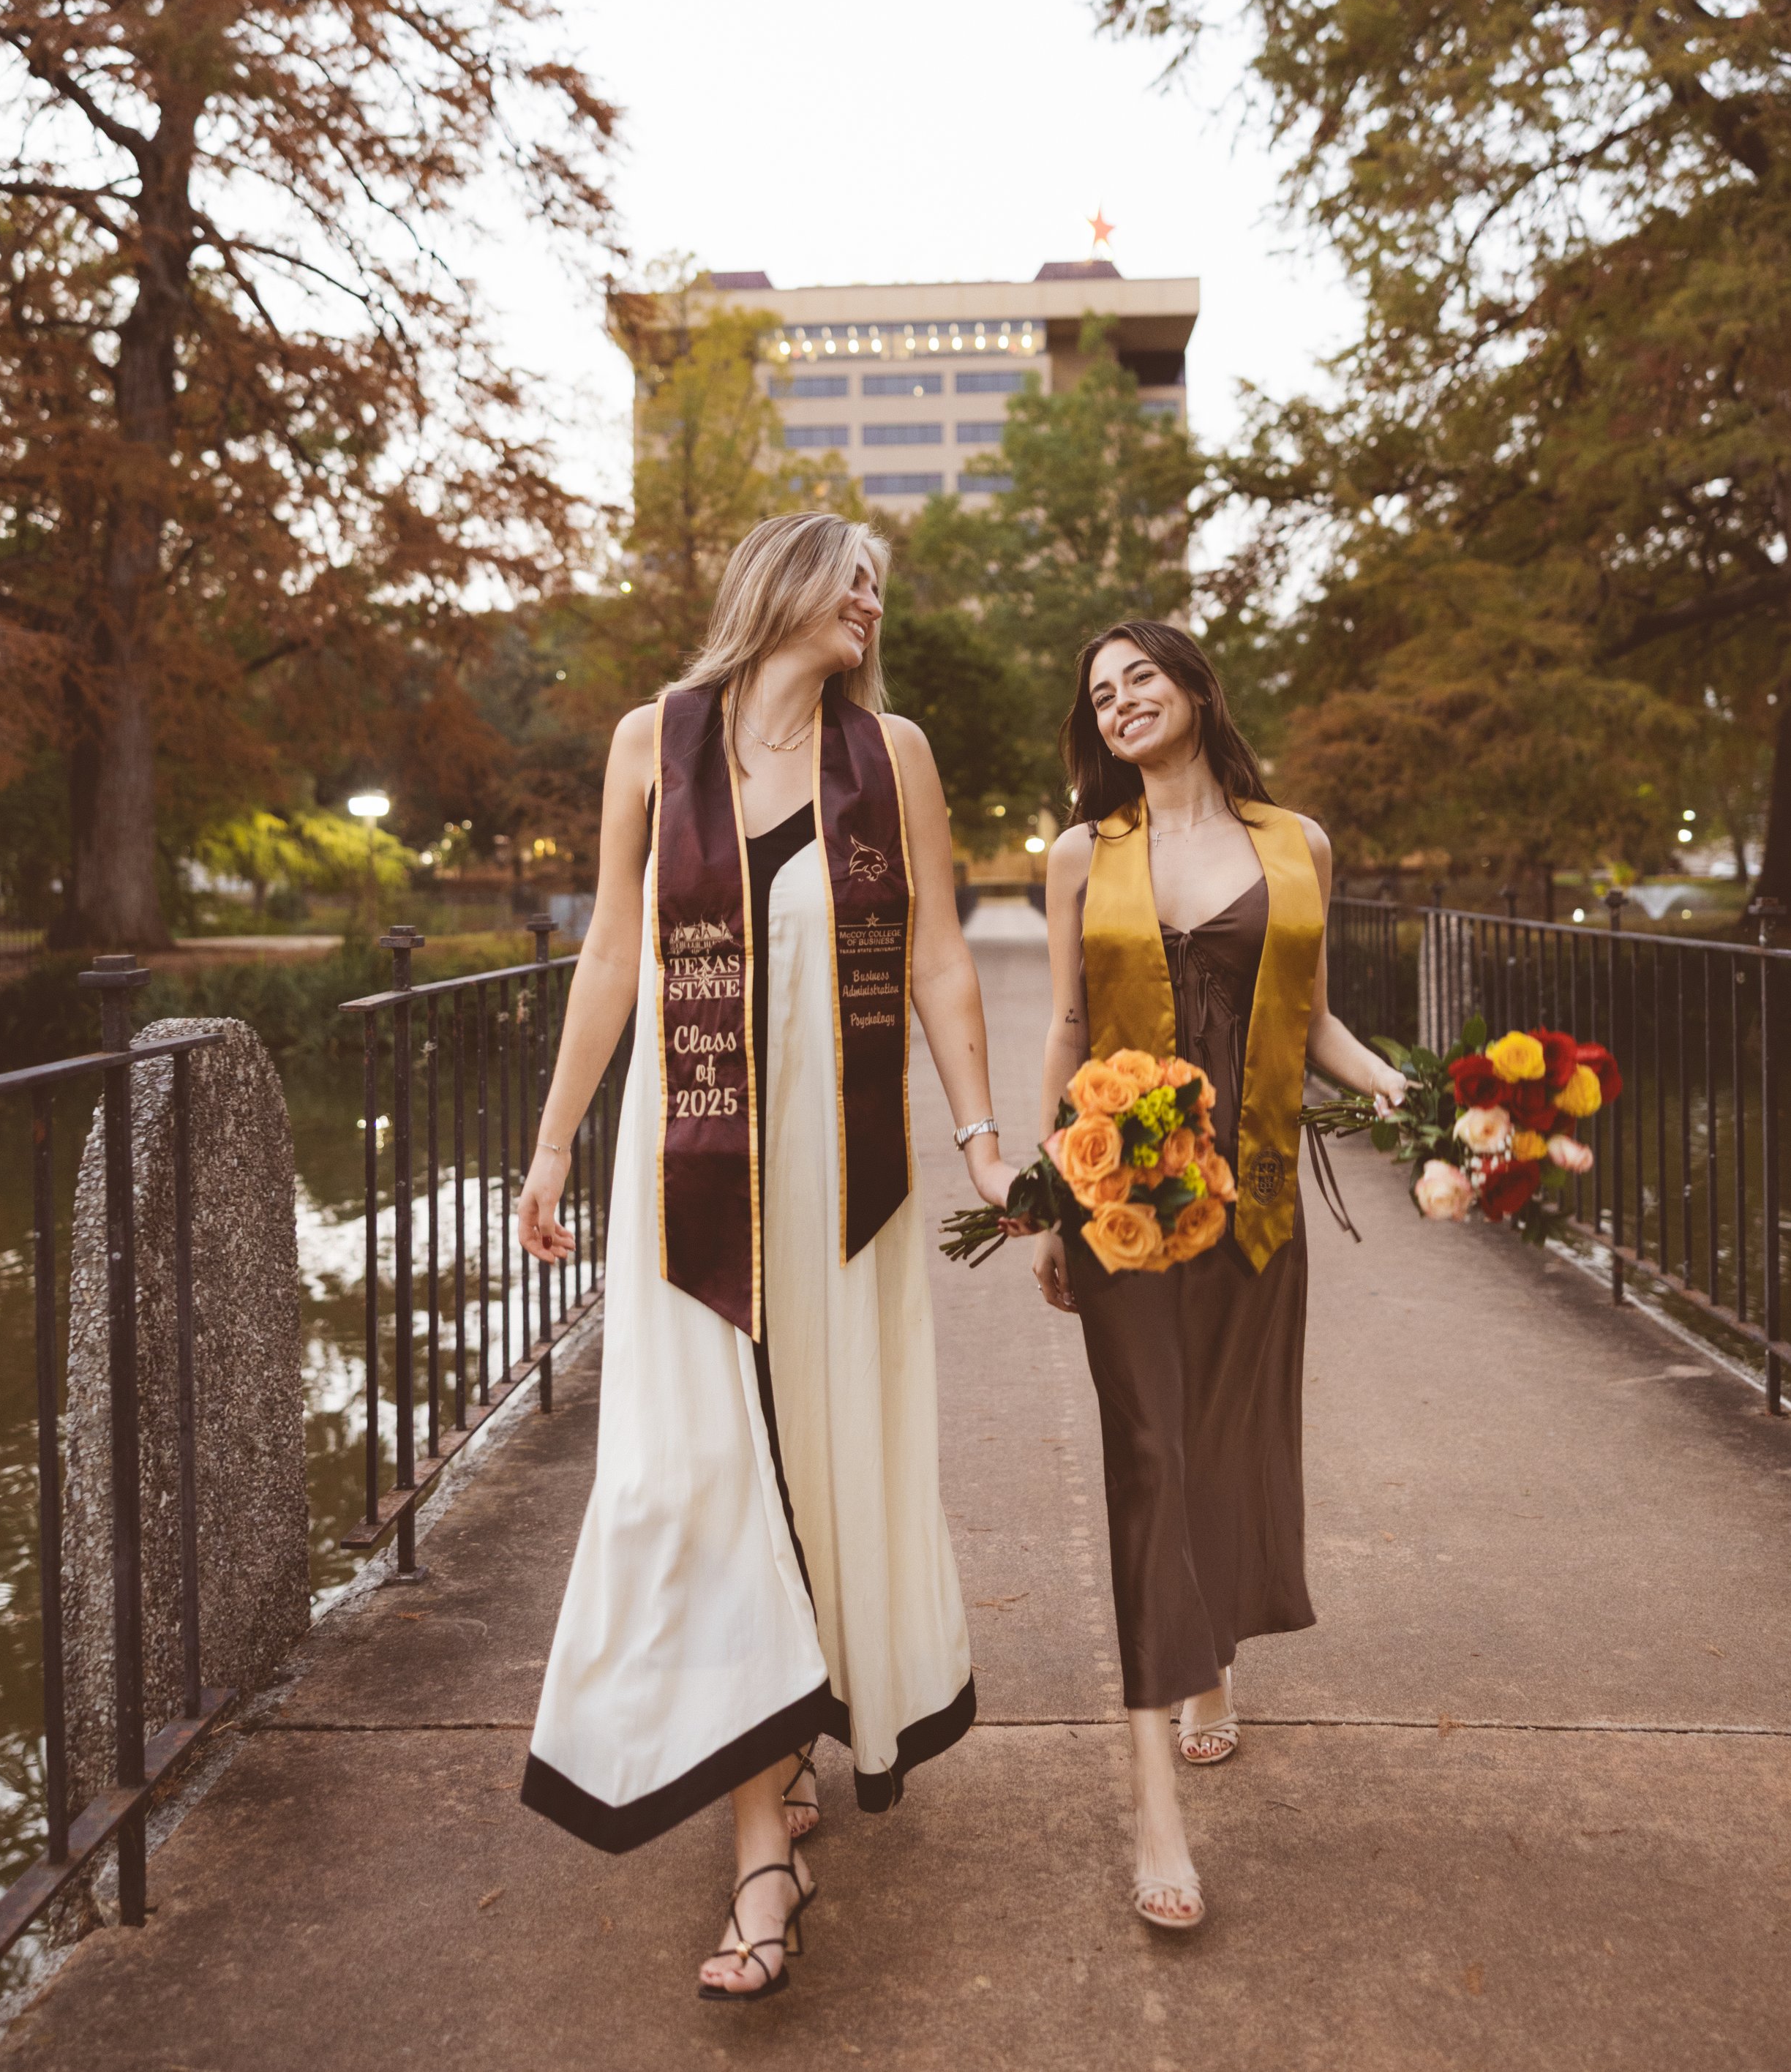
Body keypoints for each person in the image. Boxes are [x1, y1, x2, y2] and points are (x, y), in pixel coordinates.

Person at [516, 511, 1019, 2000]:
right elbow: (615, 951)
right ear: (778, 586)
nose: (870, 599)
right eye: (848, 574)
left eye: (880, 584)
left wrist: (983, 1134)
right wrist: (550, 1144)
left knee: (809, 1456)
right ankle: (758, 1849)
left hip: (836, 1171)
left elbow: (932, 955)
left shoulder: (894, 754)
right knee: (690, 1471)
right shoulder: (649, 740)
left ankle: (773, 1753)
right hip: (687, 1170)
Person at [1031, 620, 1405, 1932]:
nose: (1122, 700)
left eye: (1141, 677)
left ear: (1195, 686)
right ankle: (1153, 1806)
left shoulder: (1293, 841)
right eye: (1100, 693)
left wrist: (1393, 1086)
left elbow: (1310, 1017)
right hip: (1122, 1207)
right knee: (1149, 1463)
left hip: (1253, 1206)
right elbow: (1071, 1024)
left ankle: (1214, 1666)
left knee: (1231, 1441)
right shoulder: (1085, 854)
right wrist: (1041, 1204)